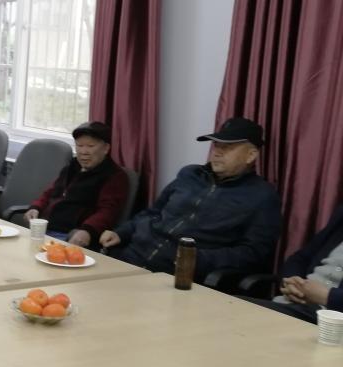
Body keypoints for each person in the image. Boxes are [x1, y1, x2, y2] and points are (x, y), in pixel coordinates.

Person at [99, 117, 282, 282]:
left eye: (227, 148)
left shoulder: (262, 196)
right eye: (216, 146)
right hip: (131, 255)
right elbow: (153, 213)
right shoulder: (190, 174)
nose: (217, 153)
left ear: (251, 155)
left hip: (177, 275)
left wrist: (197, 258)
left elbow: (253, 253)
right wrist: (122, 232)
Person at [24, 121, 129, 247]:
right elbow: (51, 191)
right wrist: (36, 207)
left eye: (90, 146)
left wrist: (87, 230)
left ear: (106, 148)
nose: (84, 152)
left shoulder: (114, 176)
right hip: (45, 228)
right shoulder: (72, 167)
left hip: (70, 235)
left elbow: (107, 211)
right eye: (79, 145)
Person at [241, 204, 343, 323]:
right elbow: (300, 258)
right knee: (232, 308)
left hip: (329, 319)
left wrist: (327, 296)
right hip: (292, 304)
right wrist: (292, 282)